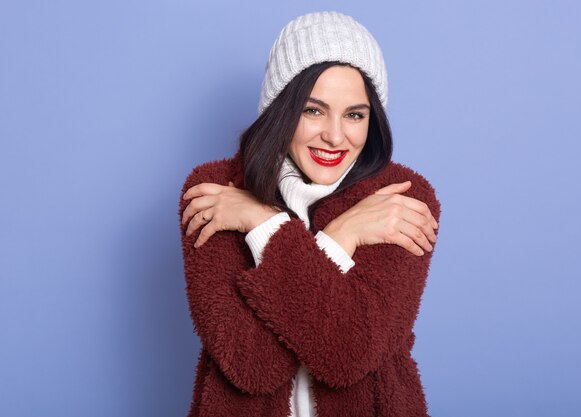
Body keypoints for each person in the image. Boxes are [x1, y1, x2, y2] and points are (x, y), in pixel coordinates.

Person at [178, 11, 441, 417]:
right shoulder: (216, 192)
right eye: (313, 110)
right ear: (280, 109)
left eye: (355, 114)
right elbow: (250, 365)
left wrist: (269, 227)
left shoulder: (400, 199)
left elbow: (347, 356)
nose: (335, 136)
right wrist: (336, 240)